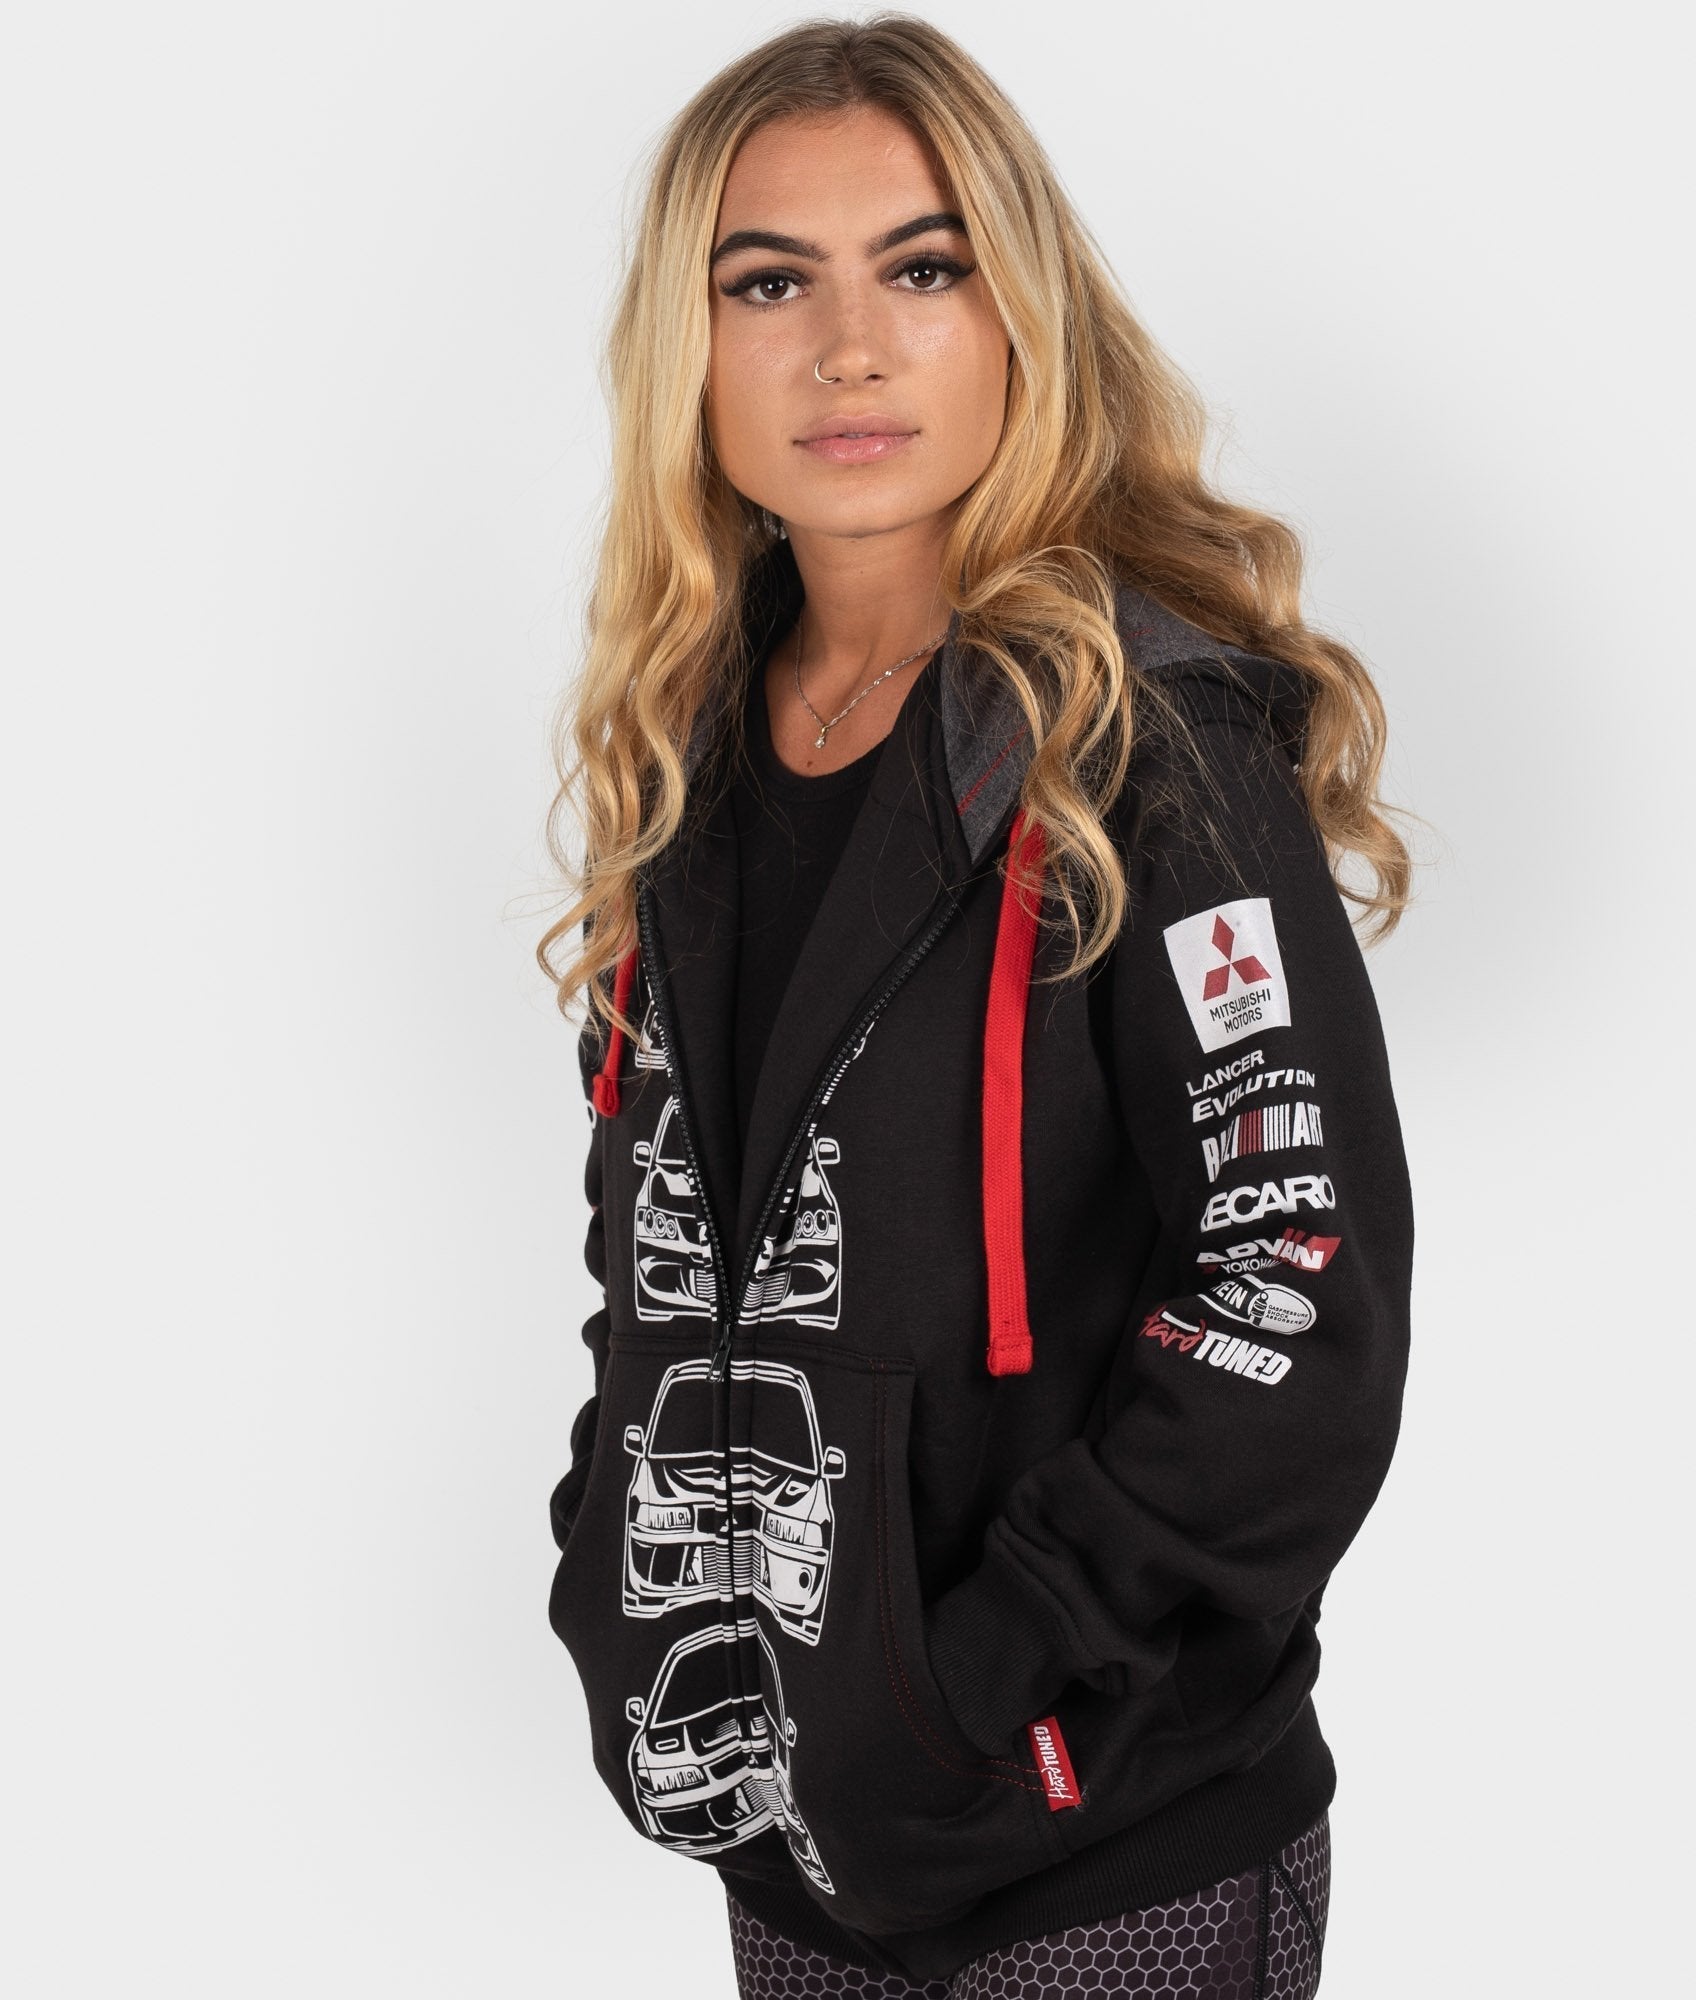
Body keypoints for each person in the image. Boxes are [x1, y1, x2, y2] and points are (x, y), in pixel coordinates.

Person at [536, 16, 1413, 1998]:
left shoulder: (1144, 744)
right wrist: (620, 1577)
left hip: (1101, 1844)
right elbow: (662, 1248)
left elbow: (1297, 1281)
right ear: (689, 349)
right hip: (794, 1826)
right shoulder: (687, 753)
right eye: (770, 283)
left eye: (921, 269)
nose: (849, 349)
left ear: (1020, 313)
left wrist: (985, 1676)